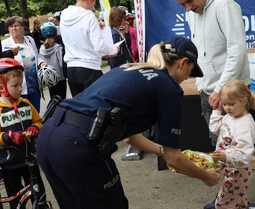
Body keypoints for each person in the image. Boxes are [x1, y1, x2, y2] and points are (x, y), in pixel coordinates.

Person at [36, 37, 219, 209]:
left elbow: (131, 138)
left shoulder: (131, 69)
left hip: (48, 138)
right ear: (183, 63)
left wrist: (162, 150)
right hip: (78, 145)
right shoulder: (168, 87)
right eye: (190, 72)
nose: (188, 78)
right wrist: (207, 177)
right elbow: (174, 159)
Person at [177, 0, 250, 150]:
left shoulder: (225, 5)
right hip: (208, 90)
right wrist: (200, 84)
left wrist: (219, 89)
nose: (188, 8)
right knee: (217, 145)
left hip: (231, 92)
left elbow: (237, 51)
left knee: (237, 148)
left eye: (189, 1)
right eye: (182, 5)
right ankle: (221, 174)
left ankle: (233, 173)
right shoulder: (192, 13)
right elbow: (199, 50)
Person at [0, 58, 46, 209]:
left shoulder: (26, 104)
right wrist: (7, 137)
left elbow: (38, 120)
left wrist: (35, 127)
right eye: (15, 85)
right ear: (2, 87)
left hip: (30, 160)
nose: (20, 89)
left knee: (38, 194)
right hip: (9, 164)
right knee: (16, 199)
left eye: (21, 84)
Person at [209, 80, 255, 209]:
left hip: (238, 169)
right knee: (236, 196)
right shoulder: (229, 116)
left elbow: (245, 154)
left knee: (225, 201)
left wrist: (225, 156)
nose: (227, 108)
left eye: (231, 104)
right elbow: (214, 128)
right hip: (227, 163)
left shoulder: (245, 124)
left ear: (243, 101)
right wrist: (216, 110)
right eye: (225, 104)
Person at [60, 0, 118, 97]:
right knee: (97, 107)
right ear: (89, 1)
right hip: (90, 68)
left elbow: (76, 35)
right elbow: (99, 46)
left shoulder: (64, 15)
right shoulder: (89, 16)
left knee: (80, 108)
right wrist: (113, 49)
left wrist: (97, 28)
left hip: (71, 69)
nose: (94, 4)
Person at [1, 16, 43, 112]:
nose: (13, 28)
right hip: (16, 88)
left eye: (16, 25)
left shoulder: (29, 40)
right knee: (22, 117)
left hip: (34, 86)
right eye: (10, 26)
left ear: (23, 27)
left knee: (36, 113)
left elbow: (37, 56)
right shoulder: (4, 44)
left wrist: (41, 63)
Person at [39, 22, 67, 100]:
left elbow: (41, 61)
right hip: (60, 77)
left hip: (50, 78)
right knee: (62, 98)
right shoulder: (59, 47)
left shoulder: (41, 49)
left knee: (53, 98)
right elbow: (61, 64)